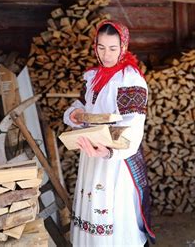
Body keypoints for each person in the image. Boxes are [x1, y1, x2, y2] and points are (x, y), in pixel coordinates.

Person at [63, 20, 156, 246]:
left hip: (115, 162)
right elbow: (84, 105)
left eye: (113, 48)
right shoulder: (93, 77)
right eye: (101, 47)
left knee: (113, 220)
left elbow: (133, 125)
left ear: (123, 47)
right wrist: (74, 114)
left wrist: (107, 152)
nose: (106, 54)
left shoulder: (130, 79)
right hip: (91, 157)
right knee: (91, 207)